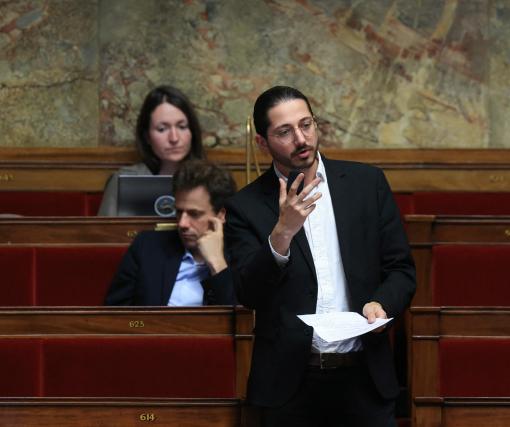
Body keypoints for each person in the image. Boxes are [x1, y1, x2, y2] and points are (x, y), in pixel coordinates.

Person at [224, 86, 416, 426]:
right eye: (284, 132)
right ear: (262, 144)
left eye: (306, 125)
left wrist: (382, 303)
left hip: (364, 380)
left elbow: (401, 270)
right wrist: (282, 232)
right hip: (290, 388)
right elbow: (248, 293)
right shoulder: (246, 207)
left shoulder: (366, 184)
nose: (301, 139)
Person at [105, 159, 236, 306]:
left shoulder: (242, 253)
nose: (182, 223)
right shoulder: (146, 247)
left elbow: (242, 322)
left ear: (221, 215)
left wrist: (217, 264)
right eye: (179, 212)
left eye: (194, 214)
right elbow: (115, 316)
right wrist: (142, 326)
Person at [98, 85, 206, 216]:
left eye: (182, 127)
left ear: (192, 131)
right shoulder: (124, 181)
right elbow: (104, 233)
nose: (174, 138)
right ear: (147, 136)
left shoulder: (210, 179)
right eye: (162, 129)